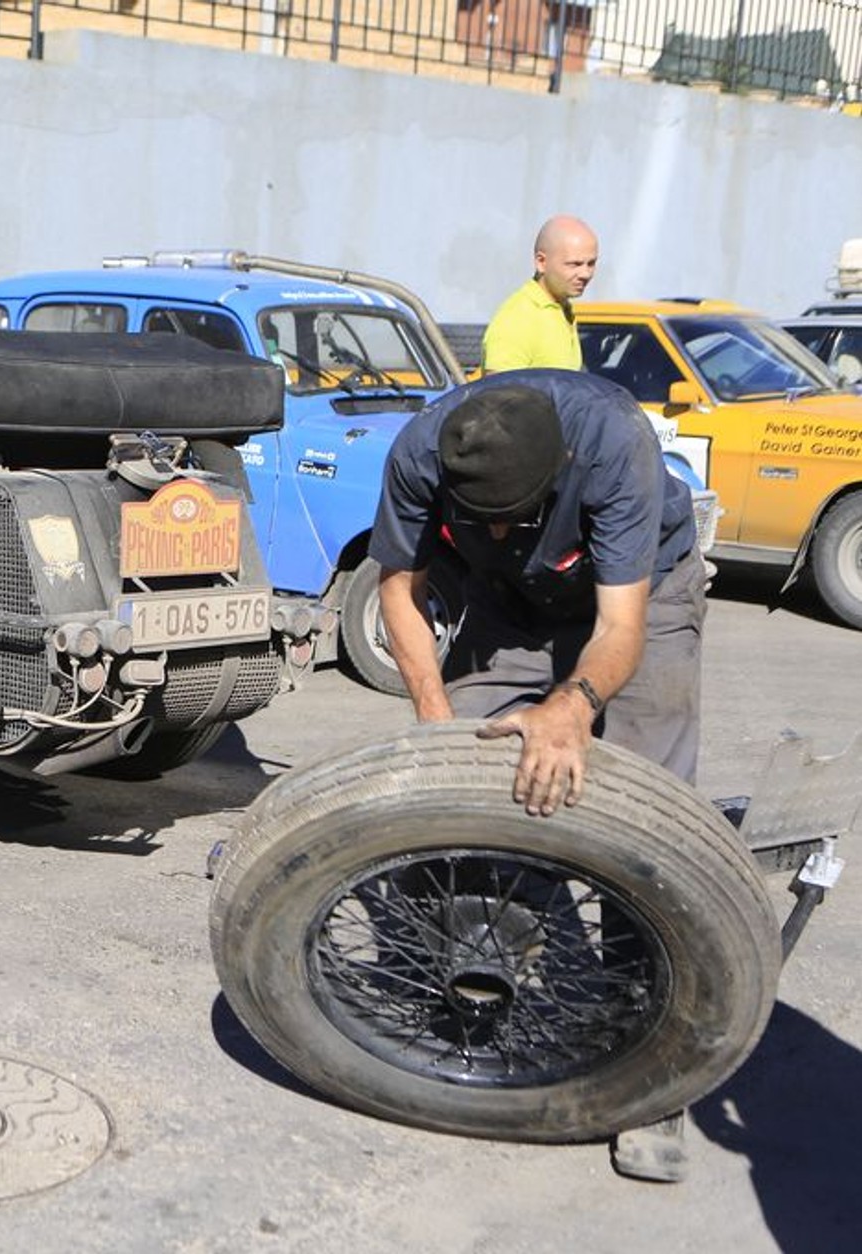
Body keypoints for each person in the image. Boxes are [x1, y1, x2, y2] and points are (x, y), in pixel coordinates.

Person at [368, 369, 706, 1182]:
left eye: (511, 517)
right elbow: (399, 588)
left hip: (639, 596)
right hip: (508, 603)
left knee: (644, 812)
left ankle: (655, 1071)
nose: (496, 527)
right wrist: (432, 719)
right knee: (461, 776)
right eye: (479, 519)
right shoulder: (424, 450)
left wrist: (573, 706)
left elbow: (619, 625)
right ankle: (479, 975)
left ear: (554, 481)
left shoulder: (611, 446)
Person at [481, 215, 598, 374]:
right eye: (574, 264)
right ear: (541, 262)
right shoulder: (518, 317)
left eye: (591, 264)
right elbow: (499, 394)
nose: (585, 273)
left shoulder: (562, 309)